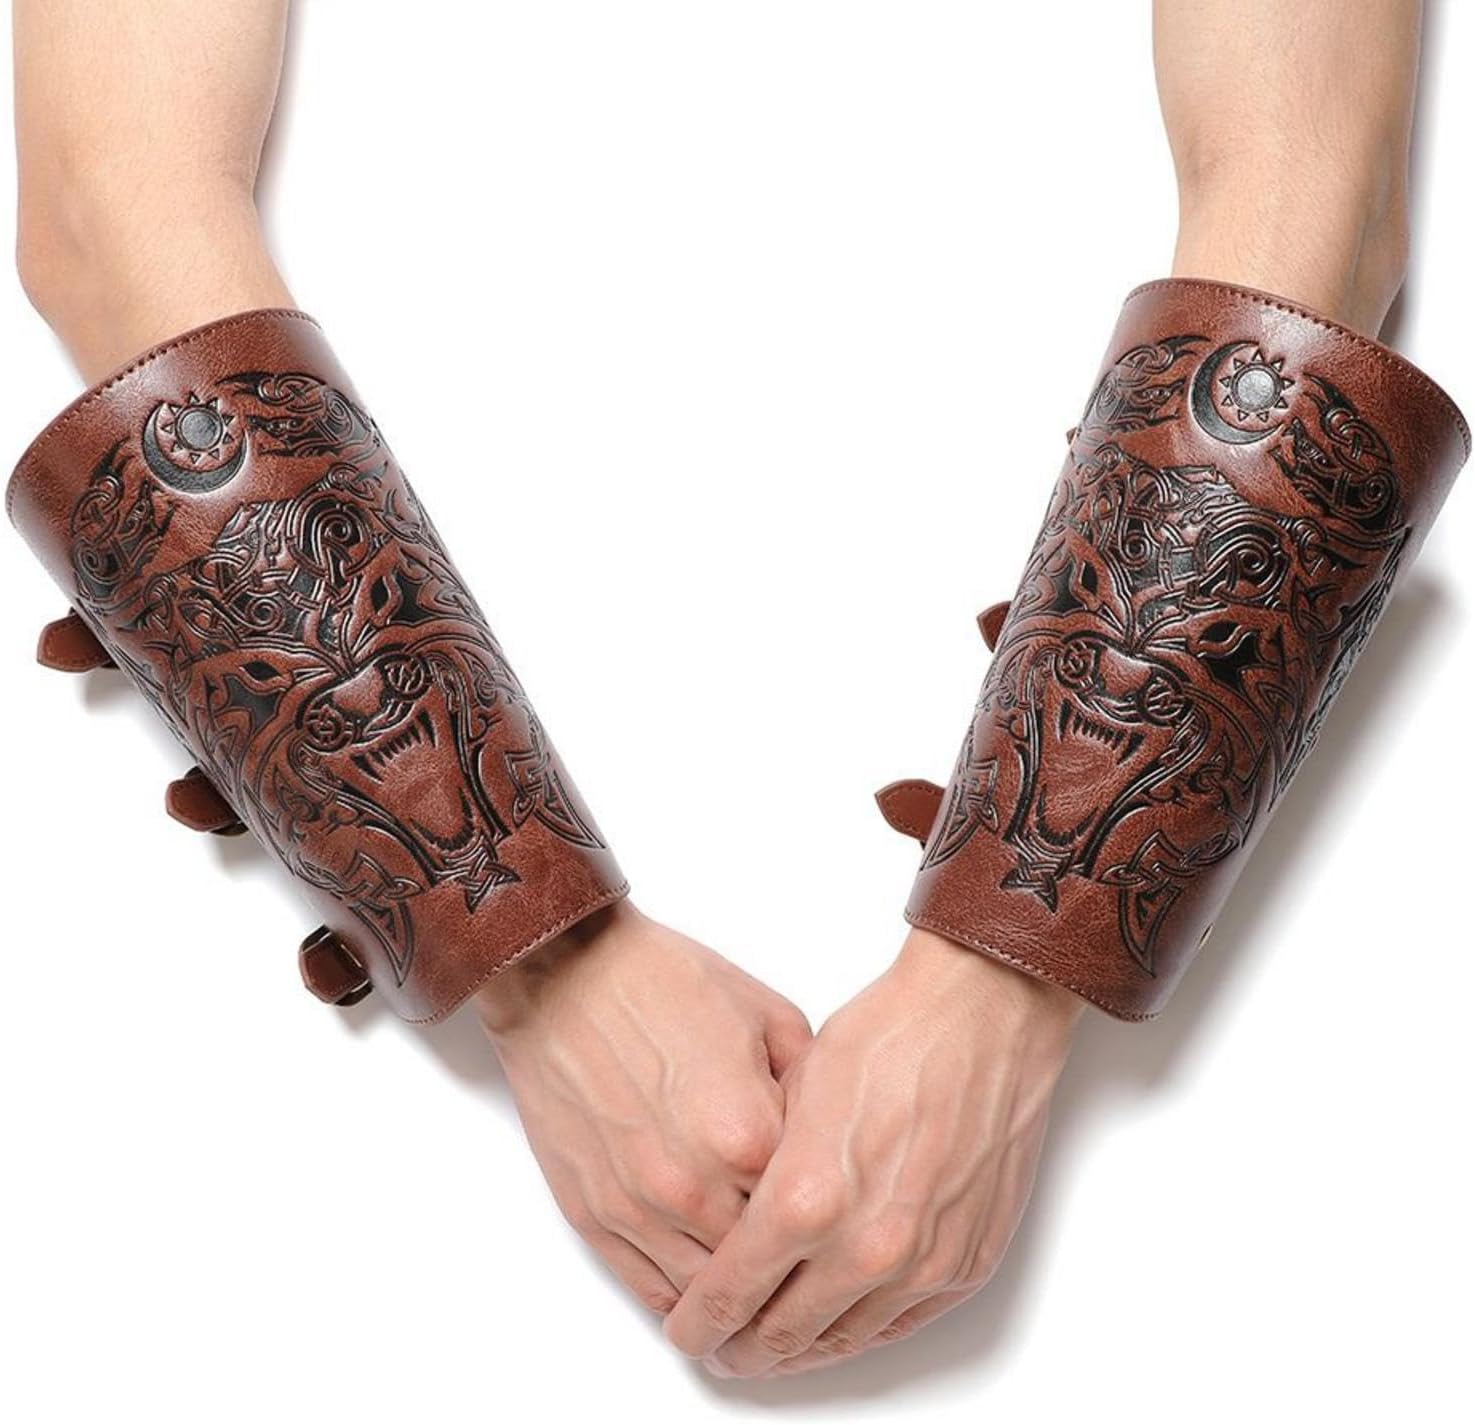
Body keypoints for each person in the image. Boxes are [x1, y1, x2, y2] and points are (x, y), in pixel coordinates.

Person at [10, 0, 1436, 1381]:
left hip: (1209, 1085)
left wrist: (1006, 971)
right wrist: (538, 957)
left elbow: (1318, 194)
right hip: (340, 1109)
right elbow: (102, 206)